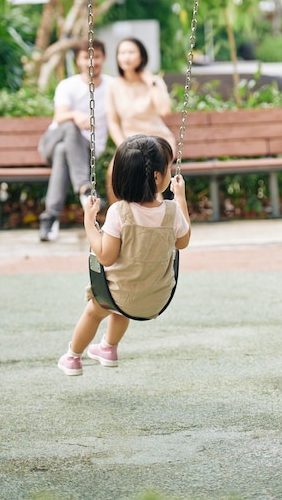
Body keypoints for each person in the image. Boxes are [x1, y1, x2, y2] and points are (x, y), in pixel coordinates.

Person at [57, 134, 191, 376]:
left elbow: (106, 257)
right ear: (158, 177)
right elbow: (183, 242)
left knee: (97, 309)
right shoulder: (172, 211)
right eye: (168, 168)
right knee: (123, 302)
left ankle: (73, 357)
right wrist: (180, 198)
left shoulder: (119, 212)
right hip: (156, 297)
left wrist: (89, 222)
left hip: (121, 295)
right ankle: (108, 347)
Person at [38, 38, 110, 242]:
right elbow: (61, 117)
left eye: (96, 56)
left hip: (86, 149)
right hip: (51, 142)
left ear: (103, 58)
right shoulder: (67, 85)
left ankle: (50, 218)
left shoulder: (112, 86)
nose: (92, 61)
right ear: (78, 60)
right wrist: (76, 117)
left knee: (65, 151)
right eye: (86, 56)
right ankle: (85, 188)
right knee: (69, 128)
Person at [106, 37, 176, 203]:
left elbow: (164, 110)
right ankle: (117, 221)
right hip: (130, 143)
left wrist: (151, 83)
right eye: (122, 53)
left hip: (157, 140)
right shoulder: (114, 86)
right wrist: (123, 146)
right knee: (112, 173)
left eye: (131, 52)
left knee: (151, 176)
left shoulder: (153, 82)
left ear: (141, 57)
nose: (126, 57)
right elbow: (113, 122)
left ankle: (155, 223)